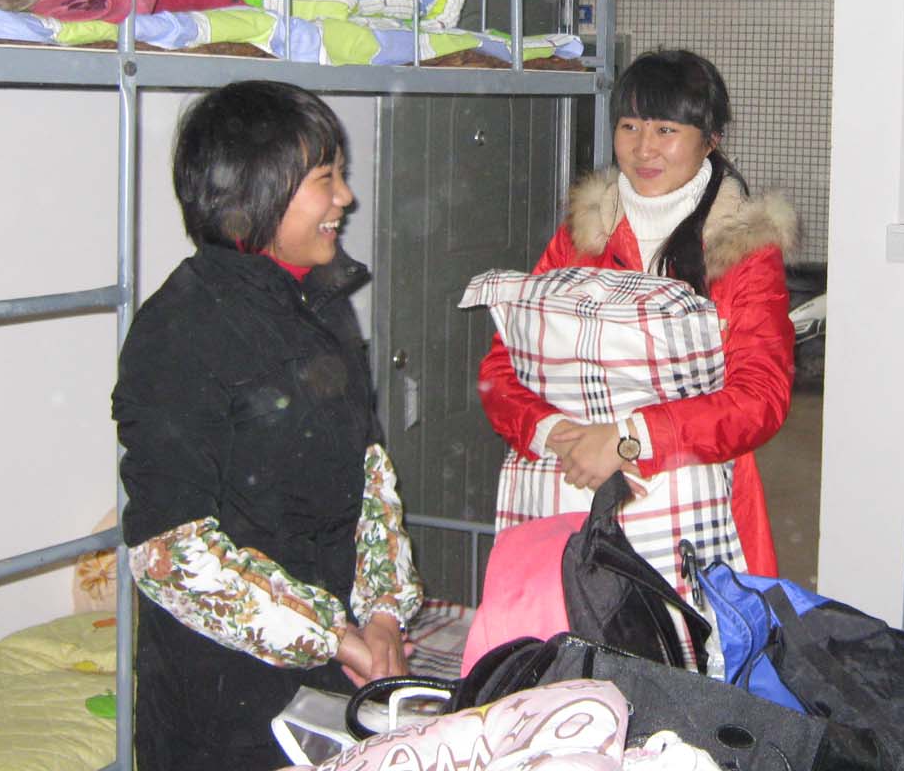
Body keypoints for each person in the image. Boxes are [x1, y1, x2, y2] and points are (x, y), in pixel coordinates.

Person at [112, 81, 422, 771]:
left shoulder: (323, 301)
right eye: (326, 179)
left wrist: (382, 614)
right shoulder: (180, 332)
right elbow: (171, 555)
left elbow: (370, 472)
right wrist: (332, 635)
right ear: (257, 191)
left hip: (335, 677)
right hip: (224, 704)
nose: (346, 197)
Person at [478, 49, 797, 576]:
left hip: (694, 502)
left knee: (682, 625)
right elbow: (503, 366)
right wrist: (557, 434)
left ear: (711, 139)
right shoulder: (583, 236)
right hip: (571, 487)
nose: (643, 148)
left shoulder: (743, 250)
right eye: (630, 126)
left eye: (666, 130)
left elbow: (760, 398)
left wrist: (630, 439)